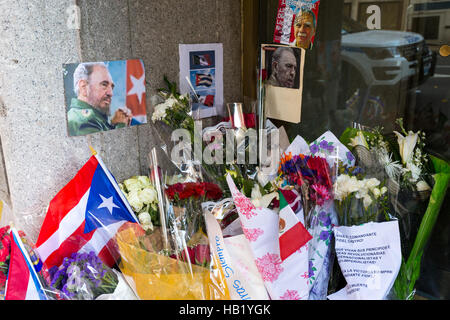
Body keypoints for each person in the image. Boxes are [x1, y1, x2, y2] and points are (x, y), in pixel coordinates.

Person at [67, 62, 132, 136]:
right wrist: (121, 126)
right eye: (104, 84)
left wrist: (114, 124)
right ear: (84, 87)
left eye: (112, 87)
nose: (111, 93)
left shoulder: (87, 117)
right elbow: (109, 146)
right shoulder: (86, 121)